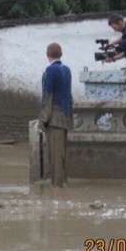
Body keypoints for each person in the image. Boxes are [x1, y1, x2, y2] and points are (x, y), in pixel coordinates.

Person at [38, 43, 73, 187]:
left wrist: (42, 120)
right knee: (62, 154)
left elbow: (47, 97)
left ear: (47, 54)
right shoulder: (67, 70)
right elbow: (69, 96)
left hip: (54, 118)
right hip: (65, 117)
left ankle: (57, 190)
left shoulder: (49, 71)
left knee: (55, 157)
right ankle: (64, 183)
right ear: (61, 54)